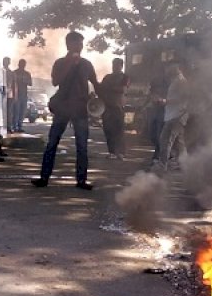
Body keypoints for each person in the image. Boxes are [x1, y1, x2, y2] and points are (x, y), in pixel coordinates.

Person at [31, 31, 98, 190]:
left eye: (81, 44)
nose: (80, 47)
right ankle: (44, 178)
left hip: (81, 109)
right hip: (63, 108)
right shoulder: (60, 63)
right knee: (52, 143)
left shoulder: (86, 64)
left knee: (82, 146)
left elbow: (95, 82)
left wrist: (97, 96)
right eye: (77, 43)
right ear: (68, 45)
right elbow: (56, 82)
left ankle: (81, 180)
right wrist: (70, 63)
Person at [156, 63, 189, 171]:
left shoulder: (181, 82)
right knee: (179, 143)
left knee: (165, 140)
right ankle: (183, 164)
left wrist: (165, 101)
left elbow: (183, 99)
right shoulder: (176, 81)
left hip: (176, 115)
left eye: (171, 67)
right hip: (174, 115)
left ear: (178, 68)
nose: (168, 69)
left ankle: (162, 165)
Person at [98, 58, 130, 159]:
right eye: (113, 65)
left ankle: (121, 152)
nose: (114, 67)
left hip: (118, 107)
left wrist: (109, 88)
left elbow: (123, 89)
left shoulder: (125, 77)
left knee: (119, 130)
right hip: (106, 107)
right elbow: (100, 89)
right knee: (108, 129)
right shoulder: (107, 77)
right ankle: (112, 152)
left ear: (121, 66)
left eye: (117, 65)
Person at [13, 59, 32, 132]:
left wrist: (24, 81)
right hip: (16, 95)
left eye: (23, 64)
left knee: (22, 111)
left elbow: (30, 83)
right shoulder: (15, 73)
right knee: (16, 111)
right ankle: (15, 126)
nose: (22, 66)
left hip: (24, 95)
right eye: (21, 64)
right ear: (18, 64)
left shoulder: (27, 74)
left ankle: (20, 126)